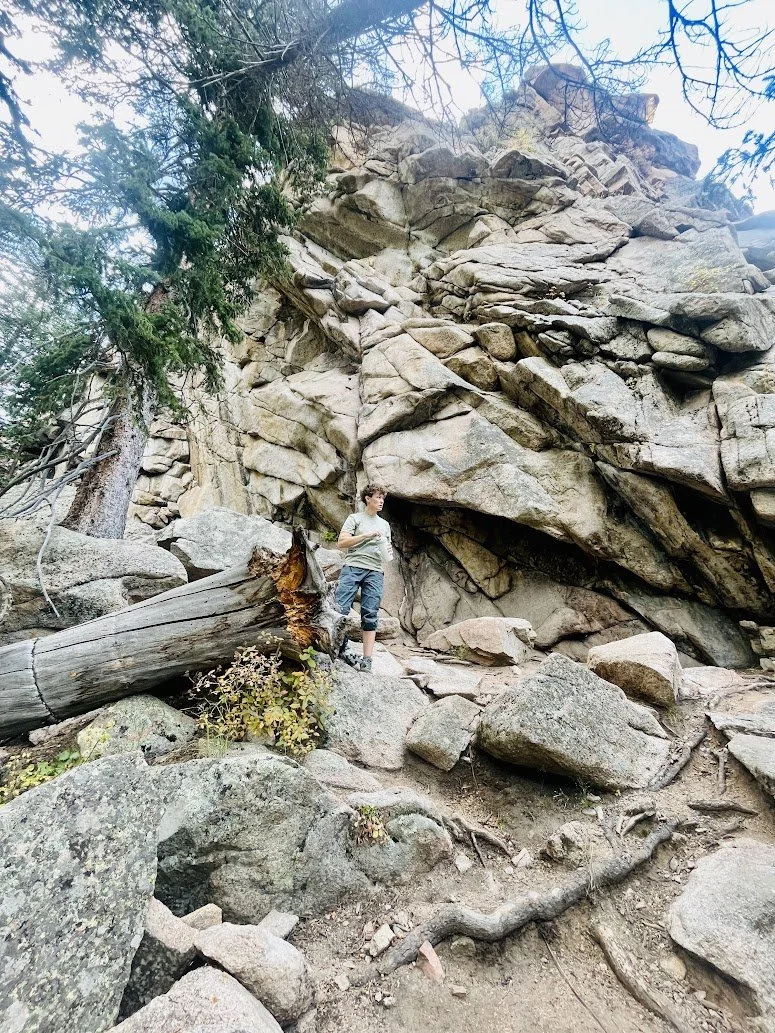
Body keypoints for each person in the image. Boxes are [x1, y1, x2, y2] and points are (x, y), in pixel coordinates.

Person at [334, 484, 393, 671]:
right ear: (367, 498)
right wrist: (366, 536)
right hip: (353, 567)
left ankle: (367, 660)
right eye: (378, 497)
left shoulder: (384, 525)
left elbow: (387, 554)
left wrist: (385, 548)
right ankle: (341, 648)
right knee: (339, 609)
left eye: (383, 498)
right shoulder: (355, 519)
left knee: (370, 614)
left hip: (375, 571)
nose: (381, 501)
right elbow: (342, 543)